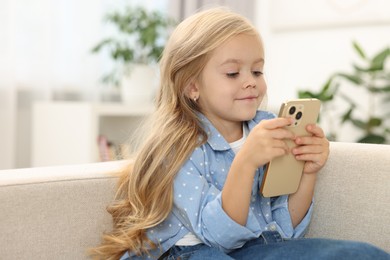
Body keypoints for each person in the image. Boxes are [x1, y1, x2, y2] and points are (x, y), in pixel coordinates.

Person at [90, 7, 390, 260]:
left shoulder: (265, 128)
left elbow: (284, 228)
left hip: (254, 248)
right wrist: (245, 163)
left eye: (257, 71)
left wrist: (308, 172)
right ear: (191, 86)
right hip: (193, 252)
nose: (250, 82)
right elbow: (219, 235)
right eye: (233, 73)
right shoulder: (176, 147)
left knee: (360, 254)